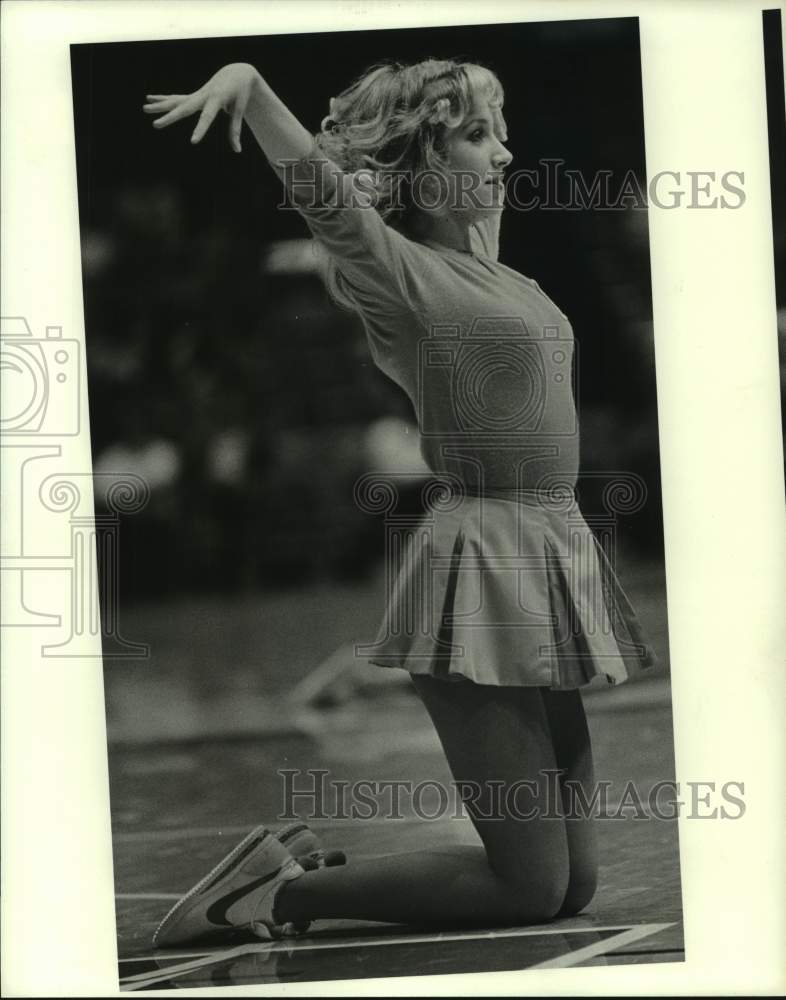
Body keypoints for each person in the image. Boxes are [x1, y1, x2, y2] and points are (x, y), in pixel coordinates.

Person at [143, 58, 655, 947]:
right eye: (477, 135)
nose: (505, 153)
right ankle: (268, 895)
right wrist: (254, 90)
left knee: (570, 889)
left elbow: (473, 199)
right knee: (528, 887)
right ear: (422, 163)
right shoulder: (401, 274)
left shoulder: (498, 272)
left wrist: (472, 134)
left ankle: (287, 877)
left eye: (501, 131)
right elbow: (325, 197)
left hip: (553, 548)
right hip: (481, 562)